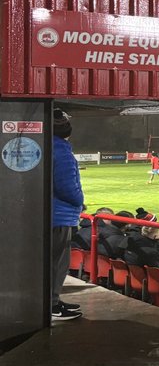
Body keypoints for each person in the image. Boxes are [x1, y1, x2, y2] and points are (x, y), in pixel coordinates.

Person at [50, 108, 84, 321]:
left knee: (53, 263)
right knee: (57, 263)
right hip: (60, 217)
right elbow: (67, 187)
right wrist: (80, 201)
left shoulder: (47, 146)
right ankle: (52, 305)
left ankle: (51, 302)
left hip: (52, 215)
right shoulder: (61, 151)